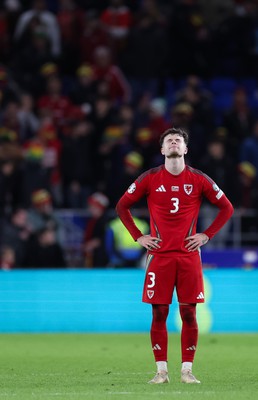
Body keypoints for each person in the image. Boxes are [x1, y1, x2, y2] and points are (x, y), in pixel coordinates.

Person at [116, 127, 234, 384]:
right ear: (162, 150)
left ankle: (187, 371)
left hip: (189, 256)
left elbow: (227, 207)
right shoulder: (149, 178)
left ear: (185, 149)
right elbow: (122, 206)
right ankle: (161, 372)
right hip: (159, 256)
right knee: (158, 313)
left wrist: (206, 235)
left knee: (188, 313)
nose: (173, 143)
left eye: (178, 140)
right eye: (169, 141)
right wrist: (139, 236)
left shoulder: (199, 179)